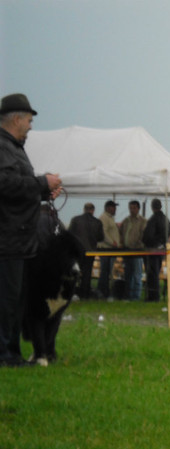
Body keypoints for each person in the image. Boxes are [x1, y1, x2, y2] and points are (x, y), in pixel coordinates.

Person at [0, 93, 62, 367]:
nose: (30, 126)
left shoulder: (14, 147)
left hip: (20, 238)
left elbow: (17, 190)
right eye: (28, 119)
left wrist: (44, 191)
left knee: (16, 302)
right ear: (15, 118)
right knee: (7, 301)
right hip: (8, 239)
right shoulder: (3, 147)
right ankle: (5, 354)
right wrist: (41, 183)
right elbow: (5, 185)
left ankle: (10, 352)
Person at [68, 202, 104, 299]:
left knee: (75, 272)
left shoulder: (75, 220)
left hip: (77, 251)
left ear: (84, 209)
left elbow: (70, 234)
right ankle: (85, 295)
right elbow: (101, 237)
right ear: (93, 210)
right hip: (90, 252)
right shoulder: (97, 222)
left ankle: (73, 293)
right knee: (87, 274)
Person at [143, 198, 170, 302]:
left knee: (152, 274)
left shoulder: (153, 220)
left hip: (153, 250)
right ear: (161, 206)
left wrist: (145, 242)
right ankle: (156, 295)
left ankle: (153, 296)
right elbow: (167, 235)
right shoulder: (166, 219)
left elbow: (148, 236)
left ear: (152, 207)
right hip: (162, 250)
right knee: (156, 273)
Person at [120, 200, 147, 301]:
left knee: (137, 275)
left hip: (137, 251)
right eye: (130, 208)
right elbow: (121, 232)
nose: (132, 210)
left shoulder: (143, 221)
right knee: (128, 275)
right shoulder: (126, 221)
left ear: (138, 209)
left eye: (134, 208)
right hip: (127, 251)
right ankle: (128, 295)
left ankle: (136, 297)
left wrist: (137, 245)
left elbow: (143, 236)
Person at [96, 200, 121, 299]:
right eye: (113, 207)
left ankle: (104, 291)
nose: (115, 209)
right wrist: (113, 242)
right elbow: (104, 232)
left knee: (107, 271)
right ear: (108, 208)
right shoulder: (104, 218)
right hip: (106, 249)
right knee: (105, 271)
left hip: (111, 249)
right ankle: (102, 291)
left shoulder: (110, 218)